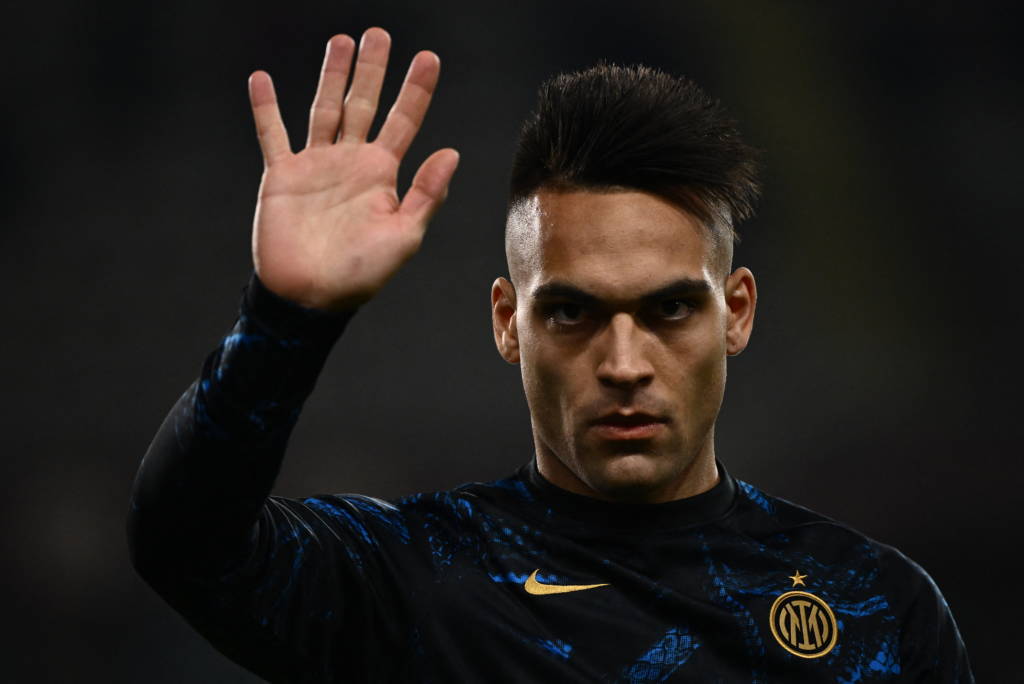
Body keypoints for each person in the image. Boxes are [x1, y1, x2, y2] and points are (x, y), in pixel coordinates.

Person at [126, 26, 974, 683]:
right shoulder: (417, 583)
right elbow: (184, 544)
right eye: (571, 312)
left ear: (736, 313)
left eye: (671, 309)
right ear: (508, 323)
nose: (624, 363)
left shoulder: (876, 605)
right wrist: (284, 321)